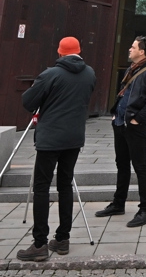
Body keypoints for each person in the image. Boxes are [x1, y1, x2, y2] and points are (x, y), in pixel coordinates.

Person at [17, 36, 98, 262]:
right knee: (65, 185)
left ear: (60, 53)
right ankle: (63, 238)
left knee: (42, 187)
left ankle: (40, 243)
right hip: (74, 138)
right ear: (79, 51)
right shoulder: (89, 73)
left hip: (50, 138)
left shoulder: (50, 74)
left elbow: (28, 102)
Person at [95, 35, 146, 228]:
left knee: (140, 166)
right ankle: (118, 203)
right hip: (120, 124)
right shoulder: (130, 70)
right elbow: (124, 94)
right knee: (122, 164)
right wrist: (116, 113)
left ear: (142, 51)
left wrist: (136, 120)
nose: (129, 50)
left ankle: (145, 210)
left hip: (134, 126)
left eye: (133, 47)